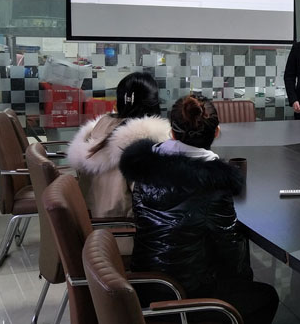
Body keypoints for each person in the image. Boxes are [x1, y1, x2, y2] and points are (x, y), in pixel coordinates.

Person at [119, 95, 279, 324]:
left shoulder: (145, 166)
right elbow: (231, 255)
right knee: (266, 296)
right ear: (217, 132)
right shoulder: (213, 185)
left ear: (172, 133)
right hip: (183, 298)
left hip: (147, 283)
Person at [67, 71, 170, 218]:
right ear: (154, 102)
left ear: (118, 101)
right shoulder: (146, 143)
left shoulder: (100, 128)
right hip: (126, 225)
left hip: (92, 218)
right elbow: (153, 201)